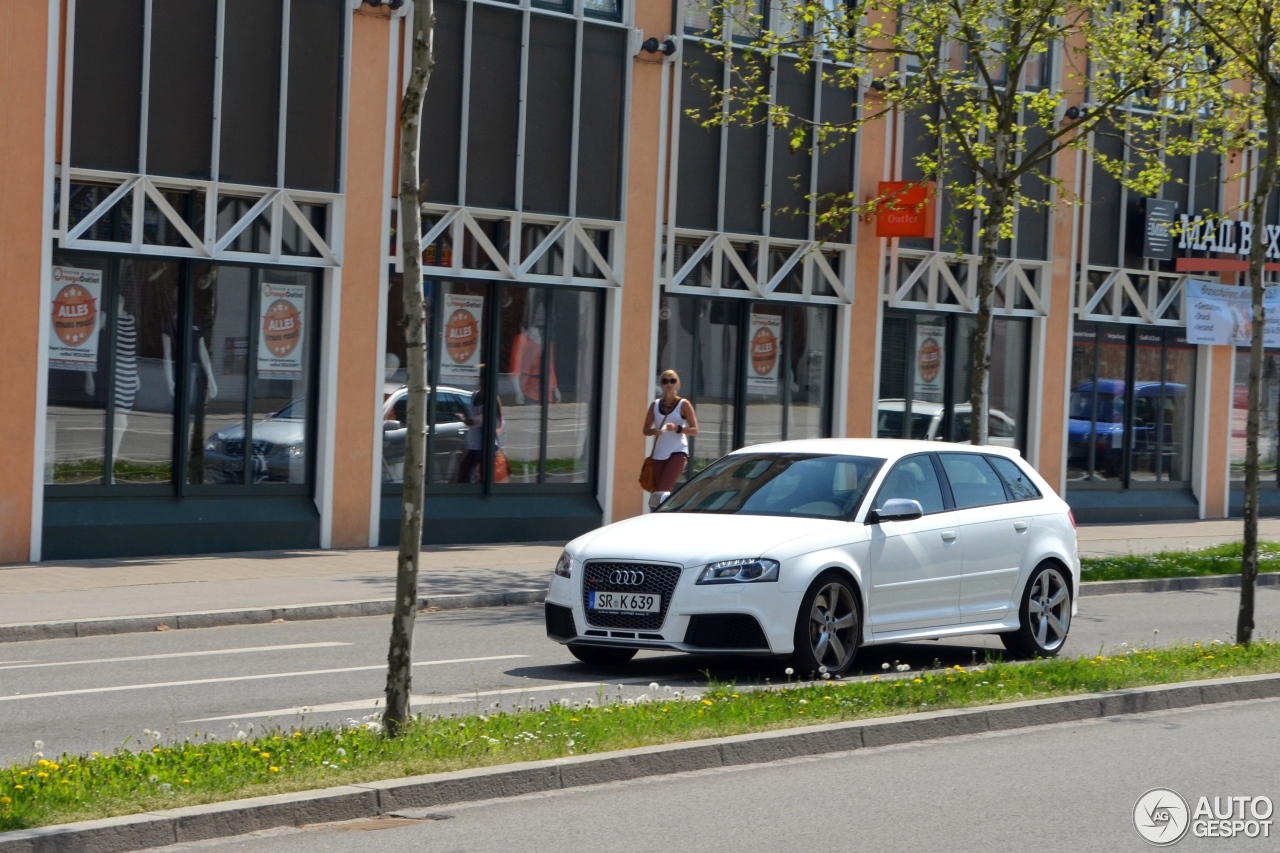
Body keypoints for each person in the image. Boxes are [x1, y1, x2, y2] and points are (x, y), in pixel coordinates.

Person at [643, 369, 698, 509]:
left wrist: (678, 428)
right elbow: (645, 430)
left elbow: (694, 430)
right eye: (665, 381)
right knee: (657, 494)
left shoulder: (683, 404)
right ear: (661, 385)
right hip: (659, 453)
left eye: (672, 380)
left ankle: (662, 518)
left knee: (664, 490)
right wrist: (653, 431)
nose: (669, 384)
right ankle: (664, 514)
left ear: (677, 384)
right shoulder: (655, 405)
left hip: (677, 451)